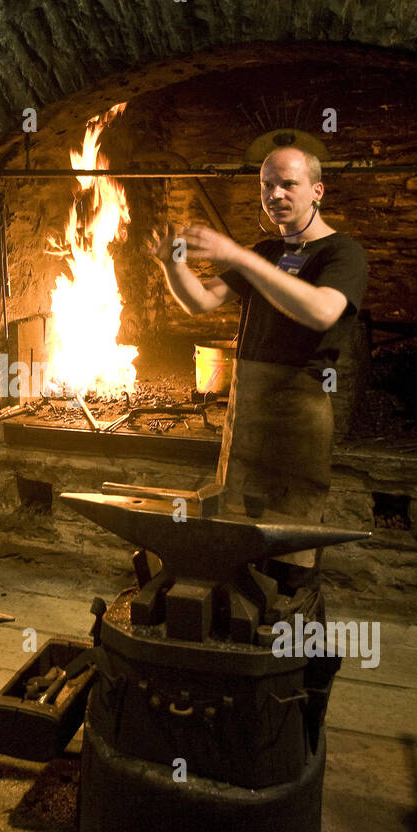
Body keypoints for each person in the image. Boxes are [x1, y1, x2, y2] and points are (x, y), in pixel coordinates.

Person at [150, 146, 367, 593]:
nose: (275, 194)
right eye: (267, 185)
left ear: (317, 190)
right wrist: (172, 264)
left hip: (296, 417)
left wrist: (240, 256)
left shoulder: (342, 253)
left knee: (291, 545)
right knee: (237, 539)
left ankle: (292, 645)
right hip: (246, 414)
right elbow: (200, 301)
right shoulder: (268, 250)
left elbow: (323, 312)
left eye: (288, 183)